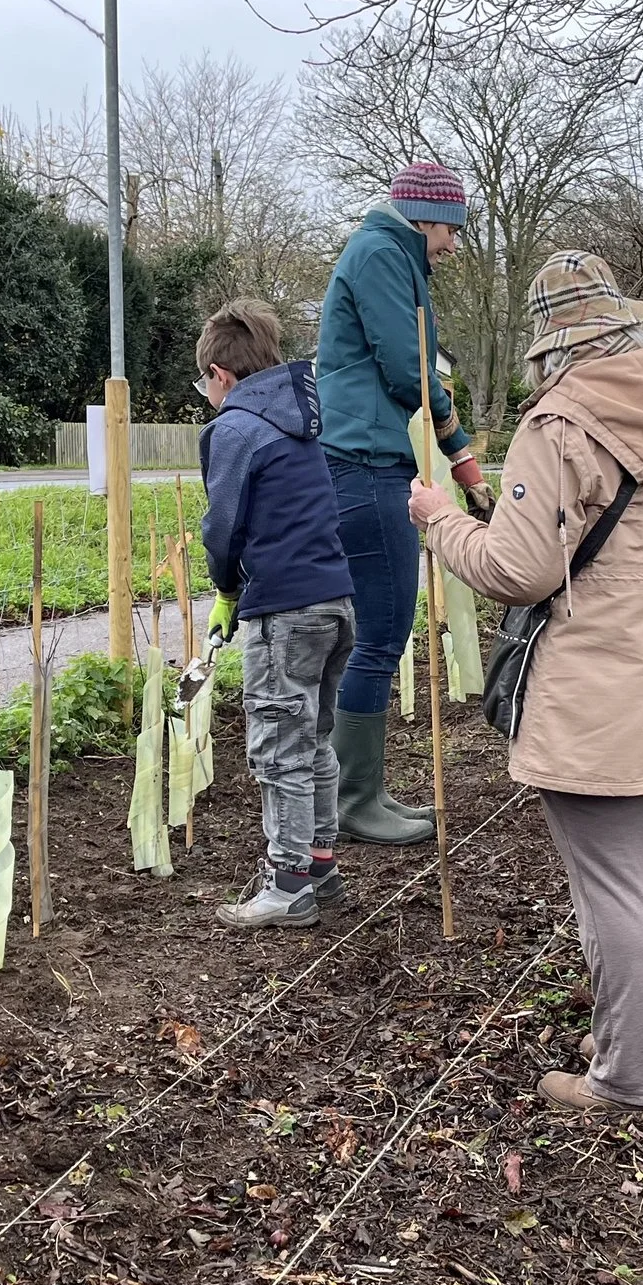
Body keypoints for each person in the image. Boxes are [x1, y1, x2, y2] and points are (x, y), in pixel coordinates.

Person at [411, 252, 643, 1117]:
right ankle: (641, 1040)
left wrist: (441, 522)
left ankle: (632, 1078)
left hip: (603, 694)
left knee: (611, 886)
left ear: (551, 347)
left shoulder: (560, 423)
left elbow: (517, 570)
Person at [315, 161, 491, 846]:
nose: (453, 245)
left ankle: (356, 792)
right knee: (383, 630)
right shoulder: (383, 254)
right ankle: (354, 798)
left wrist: (461, 458)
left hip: (366, 455)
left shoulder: (384, 253)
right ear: (426, 218)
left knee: (373, 632)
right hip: (365, 462)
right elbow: (408, 368)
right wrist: (458, 448)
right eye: (451, 230)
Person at [195, 299, 357, 928]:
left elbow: (223, 526)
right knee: (314, 739)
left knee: (279, 747)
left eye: (206, 384)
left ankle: (287, 885)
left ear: (221, 374)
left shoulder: (235, 429)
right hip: (336, 603)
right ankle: (320, 864)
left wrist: (225, 589)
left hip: (285, 613)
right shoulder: (302, 422)